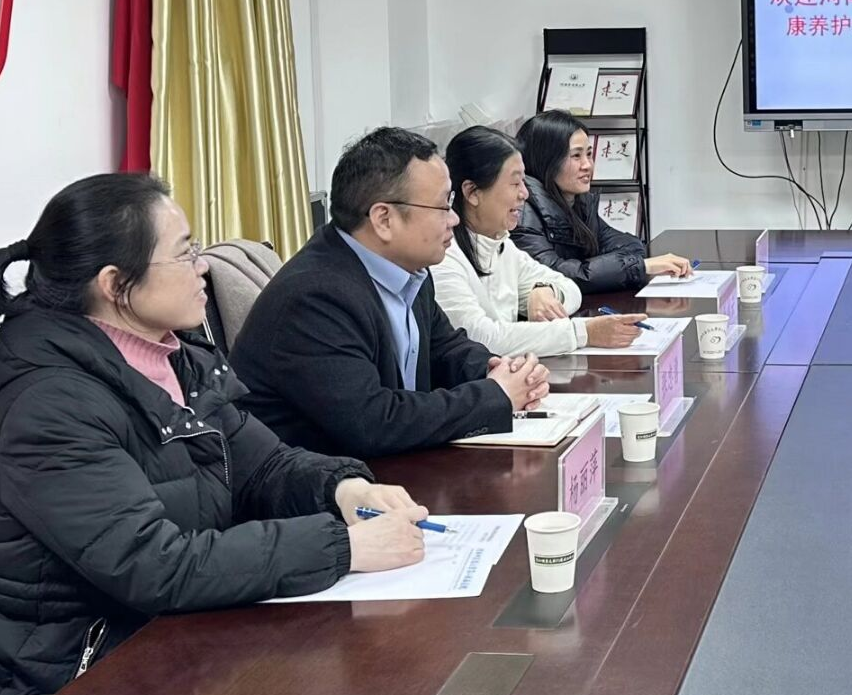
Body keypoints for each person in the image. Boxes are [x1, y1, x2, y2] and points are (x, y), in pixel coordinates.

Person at [0, 173, 429, 695]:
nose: (202, 267)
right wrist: (342, 547)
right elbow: (155, 565)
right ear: (115, 285)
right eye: (184, 252)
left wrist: (344, 491)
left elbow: (263, 465)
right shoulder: (49, 404)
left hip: (139, 654)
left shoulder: (173, 357)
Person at [233, 127, 550, 457]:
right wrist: (495, 396)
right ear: (383, 219)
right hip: (328, 482)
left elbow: (443, 348)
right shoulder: (314, 297)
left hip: (399, 469)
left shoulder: (410, 270)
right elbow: (373, 422)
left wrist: (495, 369)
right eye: (443, 206)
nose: (454, 219)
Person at [432, 126, 645, 355]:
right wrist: (583, 333)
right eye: (515, 183)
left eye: (524, 182)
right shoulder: (443, 258)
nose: (524, 193)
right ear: (472, 192)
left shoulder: (502, 244)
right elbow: (481, 338)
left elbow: (570, 288)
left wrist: (544, 289)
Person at [512, 110, 693, 290]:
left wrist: (600, 269)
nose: (587, 165)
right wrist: (640, 267)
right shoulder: (521, 214)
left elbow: (629, 245)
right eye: (576, 156)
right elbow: (556, 276)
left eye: (589, 154)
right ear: (545, 160)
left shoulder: (578, 203)